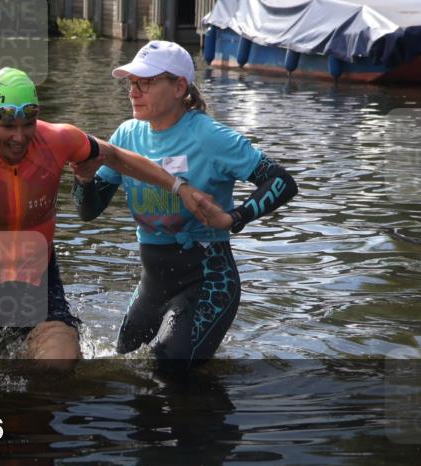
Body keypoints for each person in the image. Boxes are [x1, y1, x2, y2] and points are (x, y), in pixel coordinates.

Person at [0, 67, 212, 371]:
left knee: (59, 359)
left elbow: (115, 156)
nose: (19, 137)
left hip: (37, 272)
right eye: (7, 126)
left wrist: (178, 187)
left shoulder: (58, 140)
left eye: (27, 123)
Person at [72, 40, 297, 368]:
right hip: (153, 284)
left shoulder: (210, 137)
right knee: (123, 366)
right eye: (131, 83)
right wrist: (84, 178)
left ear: (179, 87)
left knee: (170, 371)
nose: (133, 91)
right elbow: (88, 211)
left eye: (145, 83)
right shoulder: (126, 136)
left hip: (207, 279)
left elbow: (281, 181)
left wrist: (234, 218)